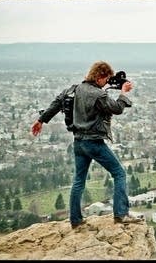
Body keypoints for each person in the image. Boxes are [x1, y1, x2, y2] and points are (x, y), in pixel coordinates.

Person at [31, 61, 143, 229]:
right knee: (119, 174)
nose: (107, 82)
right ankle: (121, 214)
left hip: (78, 143)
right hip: (94, 142)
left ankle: (75, 220)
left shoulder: (74, 90)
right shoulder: (99, 95)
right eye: (106, 79)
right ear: (99, 77)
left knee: (78, 181)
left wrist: (41, 120)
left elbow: (56, 103)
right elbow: (117, 108)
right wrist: (123, 93)